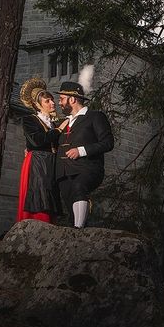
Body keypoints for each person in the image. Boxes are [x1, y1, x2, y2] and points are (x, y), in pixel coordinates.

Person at [56, 81, 114, 228]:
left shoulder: (95, 116)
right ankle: (76, 236)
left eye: (62, 98)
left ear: (72, 99)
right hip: (63, 173)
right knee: (71, 209)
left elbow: (108, 143)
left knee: (79, 187)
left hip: (88, 169)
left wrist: (81, 150)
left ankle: (78, 231)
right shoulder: (62, 123)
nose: (59, 102)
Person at [17, 78, 69, 223]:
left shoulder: (54, 123)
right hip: (37, 163)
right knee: (39, 192)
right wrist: (59, 130)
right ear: (37, 105)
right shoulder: (29, 120)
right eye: (47, 101)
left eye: (52, 100)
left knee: (51, 193)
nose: (53, 103)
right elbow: (37, 141)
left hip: (51, 162)